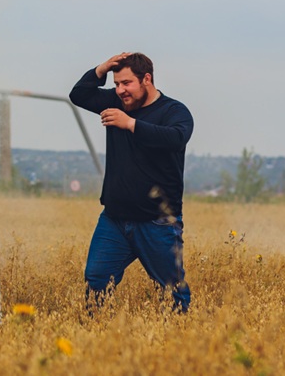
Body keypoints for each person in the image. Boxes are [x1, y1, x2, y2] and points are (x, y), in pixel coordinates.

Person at [70, 52, 193, 312]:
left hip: (157, 222)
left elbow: (176, 138)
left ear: (146, 79)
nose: (120, 90)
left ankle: (181, 336)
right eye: (116, 84)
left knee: (171, 291)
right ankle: (96, 334)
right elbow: (78, 95)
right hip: (114, 219)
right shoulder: (117, 103)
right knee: (96, 280)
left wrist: (130, 124)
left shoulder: (174, 111)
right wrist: (101, 69)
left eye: (126, 83)